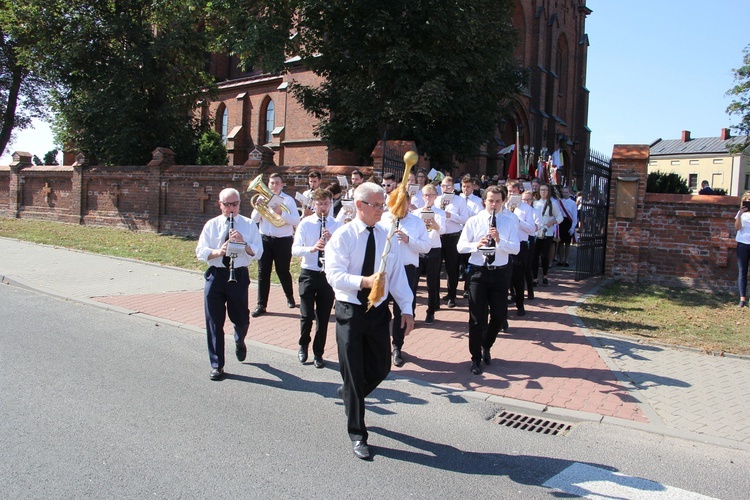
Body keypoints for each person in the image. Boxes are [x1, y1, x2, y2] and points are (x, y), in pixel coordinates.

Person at [326, 182, 415, 460]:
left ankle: (350, 394)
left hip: (378, 311)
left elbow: (397, 274)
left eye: (383, 204)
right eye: (376, 205)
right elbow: (334, 275)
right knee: (353, 370)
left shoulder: (388, 235)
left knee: (380, 368)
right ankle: (358, 434)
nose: (382, 210)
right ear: (360, 206)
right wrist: (362, 281)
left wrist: (407, 308)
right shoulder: (343, 237)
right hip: (350, 310)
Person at [195, 188, 263, 381]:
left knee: (241, 318)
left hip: (238, 275)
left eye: (234, 204)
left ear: (240, 204)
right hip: (216, 275)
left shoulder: (249, 225)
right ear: (220, 204)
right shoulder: (212, 225)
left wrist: (244, 244)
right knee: (214, 322)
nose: (231, 209)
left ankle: (239, 337)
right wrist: (219, 251)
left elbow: (258, 252)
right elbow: (201, 251)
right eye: (227, 205)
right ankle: (217, 365)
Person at [457, 186, 520, 375]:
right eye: (491, 200)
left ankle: (486, 344)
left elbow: (515, 248)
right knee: (476, 318)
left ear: (503, 201)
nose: (494, 205)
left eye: (498, 201)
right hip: (478, 273)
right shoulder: (474, 220)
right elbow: (461, 247)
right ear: (484, 200)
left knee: (499, 316)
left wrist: (500, 240)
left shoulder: (509, 221)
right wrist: (476, 245)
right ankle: (475, 358)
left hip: (500, 272)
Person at [380, 190, 431, 367]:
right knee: (380, 307)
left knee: (402, 310)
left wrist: (409, 239)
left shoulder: (417, 222)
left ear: (409, 204)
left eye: (404, 203)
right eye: (397, 203)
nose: (400, 207)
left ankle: (397, 347)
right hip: (386, 269)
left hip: (407, 270)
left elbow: (426, 247)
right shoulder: (384, 219)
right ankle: (380, 344)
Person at [291, 188, 340, 368]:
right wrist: (312, 248)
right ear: (314, 204)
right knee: (306, 314)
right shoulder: (305, 224)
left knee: (323, 317)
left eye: (326, 204)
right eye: (320, 204)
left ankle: (318, 353)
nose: (323, 208)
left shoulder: (336, 224)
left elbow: (344, 250)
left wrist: (332, 239)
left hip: (327, 275)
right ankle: (303, 345)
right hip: (309, 273)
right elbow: (295, 249)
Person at [251, 173, 301, 317]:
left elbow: (296, 221)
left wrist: (281, 213)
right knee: (263, 272)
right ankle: (261, 305)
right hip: (265, 239)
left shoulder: (288, 200)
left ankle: (289, 296)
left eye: (277, 183)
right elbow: (254, 219)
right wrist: (258, 207)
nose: (274, 186)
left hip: (283, 240)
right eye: (271, 183)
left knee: (282, 270)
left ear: (282, 184)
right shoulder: (262, 198)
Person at [414, 184, 446, 325]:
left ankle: (431, 311)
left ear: (435, 196)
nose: (428, 198)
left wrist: (434, 224)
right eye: (426, 195)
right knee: (413, 284)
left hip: (433, 250)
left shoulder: (440, 213)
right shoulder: (416, 213)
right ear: (422, 196)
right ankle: (411, 313)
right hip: (419, 251)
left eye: (431, 195)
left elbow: (443, 230)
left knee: (432, 284)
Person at [436, 176, 469, 308]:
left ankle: (452, 295)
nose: (445, 189)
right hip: (439, 236)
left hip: (453, 237)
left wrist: (451, 216)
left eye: (448, 186)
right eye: (443, 186)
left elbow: (464, 219)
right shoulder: (438, 199)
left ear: (453, 187)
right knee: (437, 268)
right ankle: (436, 296)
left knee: (452, 268)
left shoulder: (459, 201)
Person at [508, 182, 537, 316]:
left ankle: (520, 304)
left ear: (519, 192)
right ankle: (509, 297)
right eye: (509, 191)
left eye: (514, 191)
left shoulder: (526, 209)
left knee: (518, 277)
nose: (511, 194)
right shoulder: (504, 207)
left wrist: (518, 221)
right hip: (506, 245)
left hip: (520, 245)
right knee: (505, 276)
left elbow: (532, 229)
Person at [532, 183, 563, 286]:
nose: (543, 192)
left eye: (545, 190)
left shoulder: (552, 203)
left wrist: (552, 222)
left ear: (548, 192)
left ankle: (545, 276)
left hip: (547, 233)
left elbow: (560, 217)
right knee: (534, 256)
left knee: (544, 256)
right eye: (541, 190)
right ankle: (535, 278)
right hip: (536, 233)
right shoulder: (535, 203)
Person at [735, 191, 750, 307]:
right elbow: (737, 227)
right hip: (743, 244)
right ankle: (742, 298)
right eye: (747, 199)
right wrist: (740, 214)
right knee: (742, 271)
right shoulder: (741, 213)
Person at [557, 186, 578, 267]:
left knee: (568, 243)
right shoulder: (560, 202)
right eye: (564, 192)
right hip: (561, 222)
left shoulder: (572, 203)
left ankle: (567, 260)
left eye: (566, 192)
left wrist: (573, 227)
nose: (565, 194)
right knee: (561, 242)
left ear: (569, 193)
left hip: (568, 222)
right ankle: (561, 259)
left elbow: (575, 216)